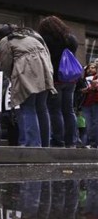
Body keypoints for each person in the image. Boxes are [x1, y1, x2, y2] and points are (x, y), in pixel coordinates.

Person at [0, 24, 55, 147]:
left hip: (25, 69)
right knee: (42, 107)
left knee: (28, 106)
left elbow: (6, 63)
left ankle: (33, 144)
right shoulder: (35, 34)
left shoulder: (6, 40)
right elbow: (47, 53)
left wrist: (11, 78)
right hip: (45, 68)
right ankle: (45, 144)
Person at [38, 15, 79, 148]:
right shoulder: (71, 38)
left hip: (55, 79)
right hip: (70, 78)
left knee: (55, 110)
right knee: (69, 110)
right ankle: (71, 141)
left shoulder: (46, 40)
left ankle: (58, 140)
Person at [80, 63, 98, 148]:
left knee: (95, 123)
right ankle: (89, 142)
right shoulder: (85, 78)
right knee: (88, 124)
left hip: (95, 101)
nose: (90, 70)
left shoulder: (95, 78)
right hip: (87, 103)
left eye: (93, 68)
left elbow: (94, 86)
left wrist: (90, 88)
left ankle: (93, 142)